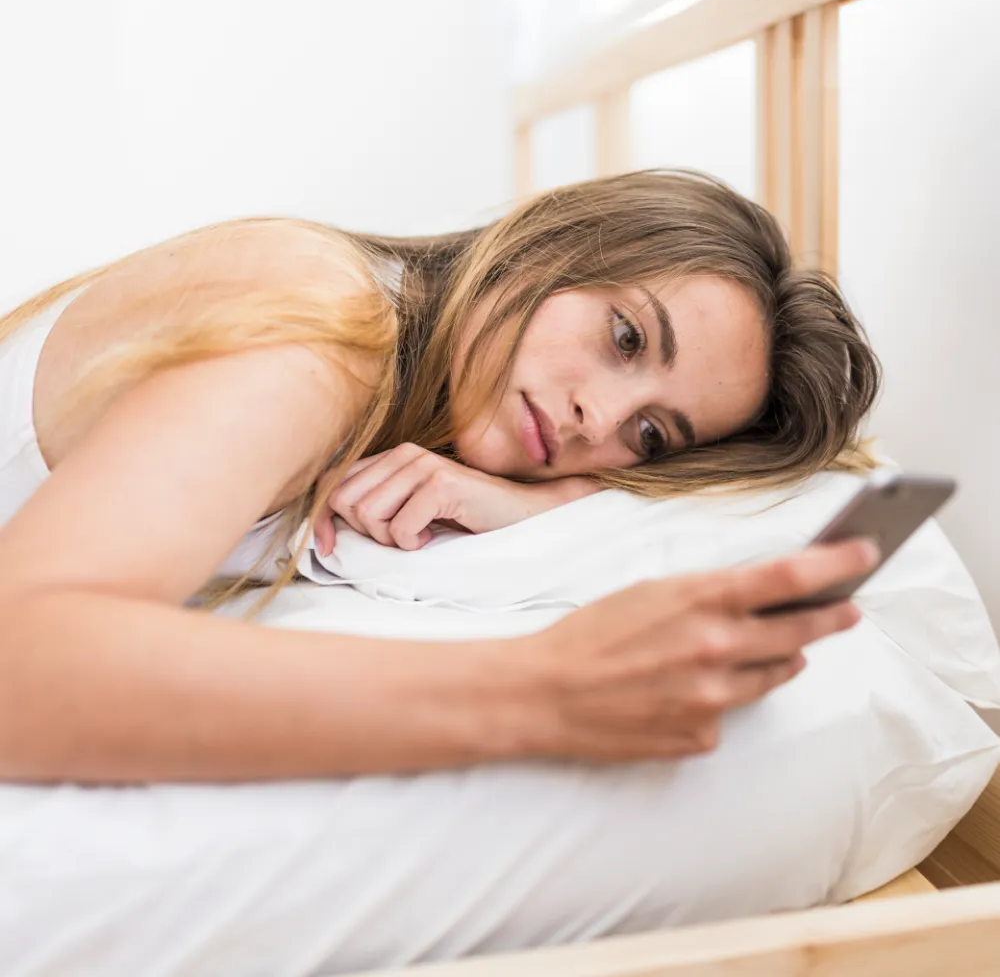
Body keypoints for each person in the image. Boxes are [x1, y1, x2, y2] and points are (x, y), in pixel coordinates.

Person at [0, 170, 881, 784]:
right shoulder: (327, 330)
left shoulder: (409, 393)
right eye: (626, 338)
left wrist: (549, 502)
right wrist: (544, 691)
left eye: (651, 436)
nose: (599, 420)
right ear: (554, 245)